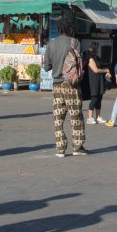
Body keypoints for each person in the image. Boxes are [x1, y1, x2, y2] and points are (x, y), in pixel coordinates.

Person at [41, 17, 86, 156]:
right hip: (72, 85)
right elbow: (80, 64)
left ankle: (60, 149)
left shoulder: (51, 44)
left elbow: (47, 67)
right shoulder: (75, 42)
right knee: (76, 116)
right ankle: (77, 147)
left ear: (59, 28)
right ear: (69, 28)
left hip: (57, 85)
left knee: (58, 118)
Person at [83, 43, 111, 124]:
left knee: (99, 97)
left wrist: (106, 71)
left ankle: (98, 117)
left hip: (99, 79)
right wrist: (105, 71)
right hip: (93, 80)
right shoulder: (90, 58)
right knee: (94, 97)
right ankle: (89, 118)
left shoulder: (97, 58)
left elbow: (101, 66)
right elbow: (95, 70)